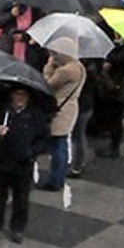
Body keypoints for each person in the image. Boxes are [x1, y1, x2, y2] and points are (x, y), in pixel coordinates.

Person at [0, 87, 50, 243]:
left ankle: (18, 228)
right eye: (17, 94)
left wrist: (31, 151)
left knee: (21, 198)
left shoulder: (36, 115)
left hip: (23, 164)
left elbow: (44, 140)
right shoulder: (2, 112)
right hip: (1, 161)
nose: (19, 98)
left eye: (23, 95)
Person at [39, 37, 84, 191]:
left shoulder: (65, 70)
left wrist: (48, 67)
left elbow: (48, 84)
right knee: (62, 143)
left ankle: (55, 180)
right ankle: (58, 177)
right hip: (70, 107)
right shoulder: (78, 66)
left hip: (60, 110)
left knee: (58, 145)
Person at [94, 34, 124, 157]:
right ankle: (111, 140)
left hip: (120, 86)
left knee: (116, 118)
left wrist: (111, 57)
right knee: (112, 115)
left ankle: (114, 148)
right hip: (116, 85)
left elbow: (118, 59)